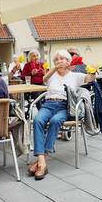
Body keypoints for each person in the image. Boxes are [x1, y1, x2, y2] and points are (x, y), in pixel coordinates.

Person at [29, 50, 95, 180]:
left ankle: (40, 161)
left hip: (64, 106)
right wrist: (54, 68)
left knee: (55, 121)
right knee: (37, 120)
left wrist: (92, 70)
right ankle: (42, 162)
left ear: (68, 61)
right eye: (56, 59)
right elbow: (44, 79)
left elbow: (90, 78)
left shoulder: (74, 76)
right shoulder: (52, 75)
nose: (58, 61)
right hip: (48, 104)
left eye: (61, 58)